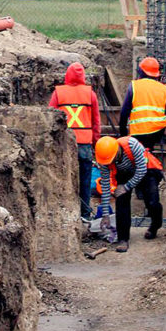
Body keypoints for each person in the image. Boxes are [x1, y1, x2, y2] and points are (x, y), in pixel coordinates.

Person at [48, 62, 101, 221]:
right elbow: (96, 121)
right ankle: (84, 213)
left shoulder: (58, 92)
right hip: (84, 143)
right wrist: (95, 142)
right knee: (85, 179)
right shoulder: (90, 93)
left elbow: (50, 116)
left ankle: (64, 211)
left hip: (65, 143)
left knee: (64, 177)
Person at [94, 135, 164, 252]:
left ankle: (155, 225)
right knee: (121, 202)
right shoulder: (104, 160)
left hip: (145, 170)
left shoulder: (132, 145)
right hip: (124, 173)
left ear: (117, 151)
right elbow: (105, 186)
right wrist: (105, 214)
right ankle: (123, 239)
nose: (110, 162)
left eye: (112, 159)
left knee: (152, 202)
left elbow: (142, 170)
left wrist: (126, 187)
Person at [119, 56, 166, 150]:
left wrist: (123, 134)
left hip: (138, 132)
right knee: (149, 150)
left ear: (141, 71)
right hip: (157, 133)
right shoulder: (164, 89)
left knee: (138, 155)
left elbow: (124, 113)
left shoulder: (134, 86)